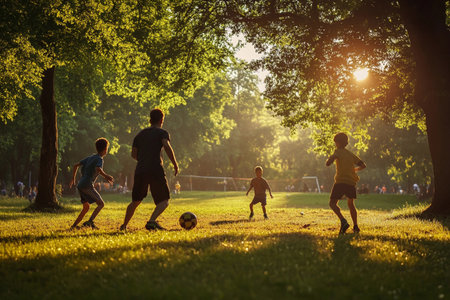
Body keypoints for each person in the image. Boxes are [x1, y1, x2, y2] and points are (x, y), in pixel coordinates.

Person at [120, 108, 179, 231]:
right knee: (164, 201)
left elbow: (133, 154)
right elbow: (167, 146)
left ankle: (124, 225)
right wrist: (175, 164)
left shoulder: (139, 135)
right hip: (155, 169)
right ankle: (152, 221)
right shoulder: (162, 133)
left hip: (140, 169)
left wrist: (144, 160)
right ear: (161, 120)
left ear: (150, 120)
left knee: (135, 201)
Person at [69, 138, 114, 230]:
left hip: (80, 185)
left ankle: (74, 226)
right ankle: (89, 222)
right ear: (105, 149)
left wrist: (73, 178)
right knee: (101, 204)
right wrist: (106, 176)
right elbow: (98, 169)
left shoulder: (90, 157)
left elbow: (75, 165)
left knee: (86, 207)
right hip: (87, 185)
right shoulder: (99, 159)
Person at [326, 133, 366, 234]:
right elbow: (363, 165)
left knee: (332, 203)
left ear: (338, 143)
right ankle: (356, 226)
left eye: (335, 143)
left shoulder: (338, 151)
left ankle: (343, 221)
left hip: (340, 181)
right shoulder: (350, 154)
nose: (335, 145)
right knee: (351, 204)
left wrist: (330, 160)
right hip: (351, 182)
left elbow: (331, 160)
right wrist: (353, 170)